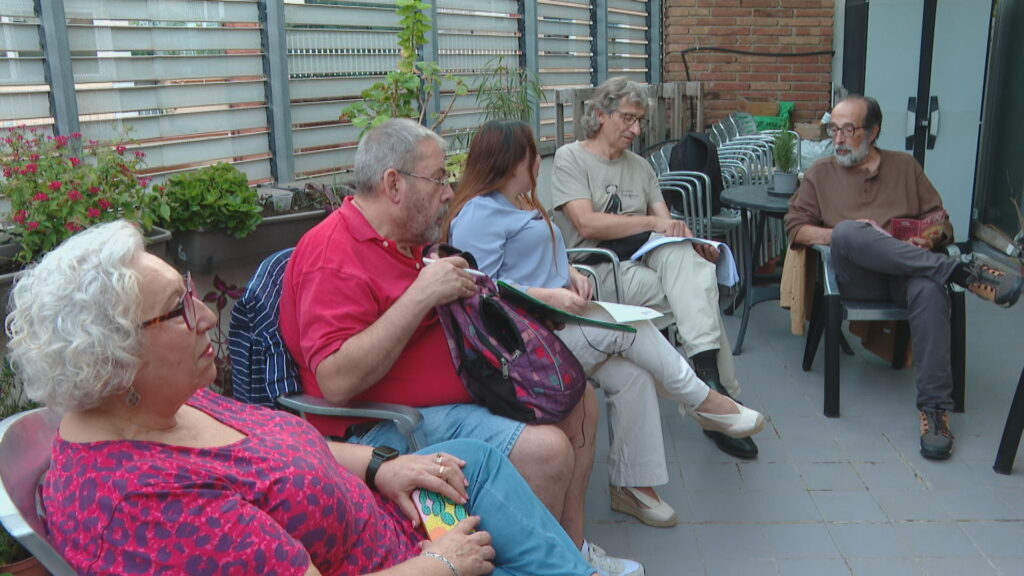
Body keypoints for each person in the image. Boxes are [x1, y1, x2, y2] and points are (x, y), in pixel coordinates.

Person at [4, 220, 598, 576]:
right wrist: (441, 563)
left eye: (190, 293)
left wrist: (382, 466)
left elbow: (267, 443)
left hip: (396, 522)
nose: (207, 315)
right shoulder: (142, 507)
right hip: (410, 562)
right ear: (115, 357)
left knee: (475, 460)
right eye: (178, 309)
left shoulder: (161, 405)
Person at [279, 118, 642, 576]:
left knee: (579, 400)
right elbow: (335, 380)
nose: (449, 192)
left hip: (454, 395)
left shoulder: (406, 241)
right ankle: (535, 564)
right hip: (380, 427)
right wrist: (422, 294)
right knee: (547, 451)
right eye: (437, 179)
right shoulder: (332, 254)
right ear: (394, 184)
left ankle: (569, 551)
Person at [444, 119, 766, 528]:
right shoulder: (478, 214)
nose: (538, 162)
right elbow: (481, 291)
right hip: (525, 343)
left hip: (556, 322)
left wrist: (570, 273)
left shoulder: (520, 203)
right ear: (510, 162)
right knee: (631, 330)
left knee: (632, 375)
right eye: (531, 155)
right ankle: (703, 400)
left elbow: (535, 258)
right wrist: (550, 296)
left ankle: (634, 486)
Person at [785, 94, 1023, 460]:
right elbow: (796, 228)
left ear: (873, 132)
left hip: (908, 273)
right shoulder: (821, 174)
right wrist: (842, 235)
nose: (838, 139)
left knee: (930, 291)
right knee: (849, 231)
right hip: (859, 279)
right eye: (834, 129)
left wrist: (927, 238)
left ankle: (934, 411)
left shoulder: (905, 166)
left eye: (848, 129)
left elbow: (941, 221)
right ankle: (960, 272)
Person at [551, 76, 759, 460]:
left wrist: (692, 241)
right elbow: (586, 224)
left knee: (689, 265)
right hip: (597, 269)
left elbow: (667, 223)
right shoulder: (570, 158)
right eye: (628, 118)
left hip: (642, 258)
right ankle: (719, 399)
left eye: (640, 120)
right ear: (601, 115)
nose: (636, 130)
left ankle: (710, 394)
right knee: (697, 290)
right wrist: (652, 223)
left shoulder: (640, 166)